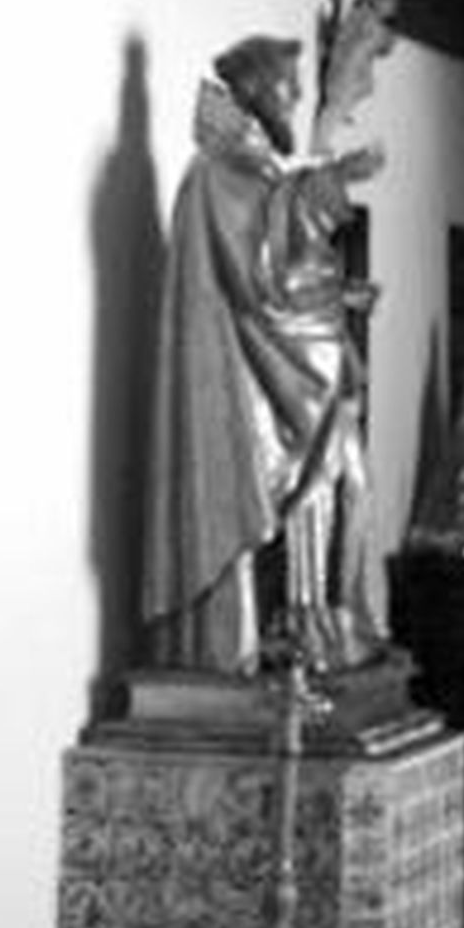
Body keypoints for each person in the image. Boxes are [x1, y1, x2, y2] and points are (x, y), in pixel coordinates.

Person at [142, 33, 387, 676]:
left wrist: (340, 296)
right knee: (320, 491)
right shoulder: (217, 172)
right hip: (257, 384)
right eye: (288, 86)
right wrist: (329, 183)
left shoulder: (254, 167)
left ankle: (330, 621)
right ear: (253, 90)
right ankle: (297, 627)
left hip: (297, 370)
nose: (297, 97)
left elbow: (284, 267)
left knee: (350, 487)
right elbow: (259, 267)